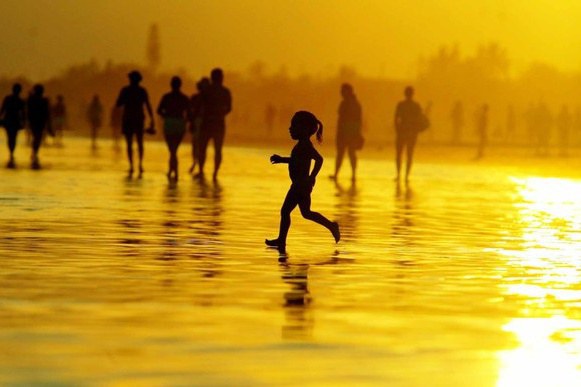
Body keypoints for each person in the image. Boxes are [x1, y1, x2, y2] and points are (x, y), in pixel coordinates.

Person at [266, 111, 340, 253]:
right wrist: (282, 159)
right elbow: (296, 160)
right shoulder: (301, 145)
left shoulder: (306, 145)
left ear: (305, 129)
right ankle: (331, 226)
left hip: (300, 185)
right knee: (306, 213)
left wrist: (312, 176)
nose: (290, 129)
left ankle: (282, 240)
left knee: (286, 211)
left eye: (294, 126)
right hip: (300, 185)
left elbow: (319, 159)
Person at [115, 70, 154, 177]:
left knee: (129, 143)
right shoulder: (142, 91)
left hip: (129, 119)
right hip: (138, 119)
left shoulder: (125, 90)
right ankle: (140, 164)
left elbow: (118, 104)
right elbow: (148, 105)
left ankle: (132, 165)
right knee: (140, 142)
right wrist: (152, 119)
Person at [197, 68, 232, 181]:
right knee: (218, 150)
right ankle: (215, 174)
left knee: (202, 148)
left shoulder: (206, 90)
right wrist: (220, 114)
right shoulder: (225, 92)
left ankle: (201, 170)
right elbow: (229, 108)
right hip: (218, 123)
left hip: (206, 123)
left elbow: (200, 105)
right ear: (221, 78)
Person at [157, 76, 192, 182]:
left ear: (171, 85)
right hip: (179, 124)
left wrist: (166, 115)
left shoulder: (166, 97)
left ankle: (173, 171)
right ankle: (173, 171)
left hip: (169, 123)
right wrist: (186, 121)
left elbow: (159, 110)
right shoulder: (184, 98)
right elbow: (190, 113)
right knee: (174, 150)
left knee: (172, 150)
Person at [330, 83, 362, 182]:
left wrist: (356, 133)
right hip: (347, 133)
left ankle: (347, 175)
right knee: (347, 154)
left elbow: (356, 120)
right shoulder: (351, 103)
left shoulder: (350, 104)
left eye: (342, 91)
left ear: (347, 91)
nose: (341, 93)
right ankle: (350, 175)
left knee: (345, 154)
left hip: (348, 133)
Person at [394, 86, 425, 182]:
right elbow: (420, 119)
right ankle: (406, 176)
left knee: (399, 154)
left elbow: (396, 118)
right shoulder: (416, 106)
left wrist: (397, 129)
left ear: (405, 93)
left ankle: (399, 175)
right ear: (412, 94)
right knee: (409, 155)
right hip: (412, 133)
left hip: (402, 132)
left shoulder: (401, 105)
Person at [1, 83, 26, 168]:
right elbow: (23, 114)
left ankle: (11, 153)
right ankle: (11, 153)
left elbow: (2, 109)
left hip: (9, 121)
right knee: (13, 138)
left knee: (10, 137)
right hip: (14, 121)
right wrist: (24, 122)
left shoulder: (8, 99)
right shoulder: (20, 100)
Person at [27, 84, 52, 169]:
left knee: (37, 137)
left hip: (37, 121)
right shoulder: (41, 100)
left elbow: (47, 113)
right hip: (37, 121)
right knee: (37, 137)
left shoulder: (40, 100)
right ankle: (35, 152)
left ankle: (34, 152)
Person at [188, 77, 210, 175]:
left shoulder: (210, 99)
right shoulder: (195, 98)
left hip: (205, 124)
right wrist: (191, 122)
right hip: (197, 122)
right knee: (195, 145)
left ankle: (200, 167)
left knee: (202, 147)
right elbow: (190, 111)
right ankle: (195, 163)